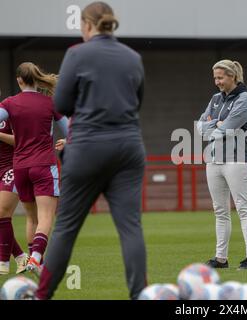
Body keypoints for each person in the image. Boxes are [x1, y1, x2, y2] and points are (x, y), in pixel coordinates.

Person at [35, 1, 147, 300]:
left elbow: (60, 105)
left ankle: (41, 296)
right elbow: (137, 102)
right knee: (131, 228)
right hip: (128, 147)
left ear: (86, 25)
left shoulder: (76, 54)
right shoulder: (133, 57)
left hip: (87, 147)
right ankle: (141, 296)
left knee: (66, 229)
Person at [0, 63, 69, 276]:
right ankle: (36, 258)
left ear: (19, 80)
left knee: (32, 218)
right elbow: (70, 128)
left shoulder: (8, 103)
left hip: (20, 166)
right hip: (44, 164)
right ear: (37, 80)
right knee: (47, 216)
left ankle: (34, 263)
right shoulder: (50, 103)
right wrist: (67, 141)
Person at [197, 59, 247, 270]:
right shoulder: (215, 98)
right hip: (214, 160)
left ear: (233, 76)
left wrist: (216, 125)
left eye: (220, 77)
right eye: (215, 78)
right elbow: (201, 129)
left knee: (243, 208)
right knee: (220, 211)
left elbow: (229, 128)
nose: (217, 82)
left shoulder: (244, 97)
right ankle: (220, 258)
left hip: (238, 160)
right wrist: (216, 124)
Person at [0, 87, 29, 275]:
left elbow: (22, 139)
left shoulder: (7, 113)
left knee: (2, 211)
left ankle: (2, 264)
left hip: (12, 166)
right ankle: (20, 257)